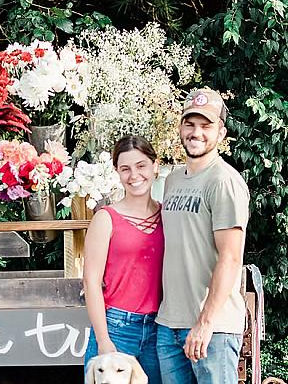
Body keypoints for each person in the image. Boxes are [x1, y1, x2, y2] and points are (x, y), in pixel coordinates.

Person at [156, 88, 250, 384]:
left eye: (206, 126)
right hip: (169, 323)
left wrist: (205, 322)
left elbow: (231, 257)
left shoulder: (224, 181)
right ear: (181, 128)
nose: (196, 133)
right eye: (190, 124)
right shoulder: (171, 180)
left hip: (213, 329)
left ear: (221, 133)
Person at [83, 135, 164, 384]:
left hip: (159, 328)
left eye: (141, 166)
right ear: (117, 172)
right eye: (125, 169)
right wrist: (104, 340)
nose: (134, 175)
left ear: (155, 166)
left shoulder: (168, 216)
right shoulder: (106, 218)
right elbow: (91, 283)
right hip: (117, 326)